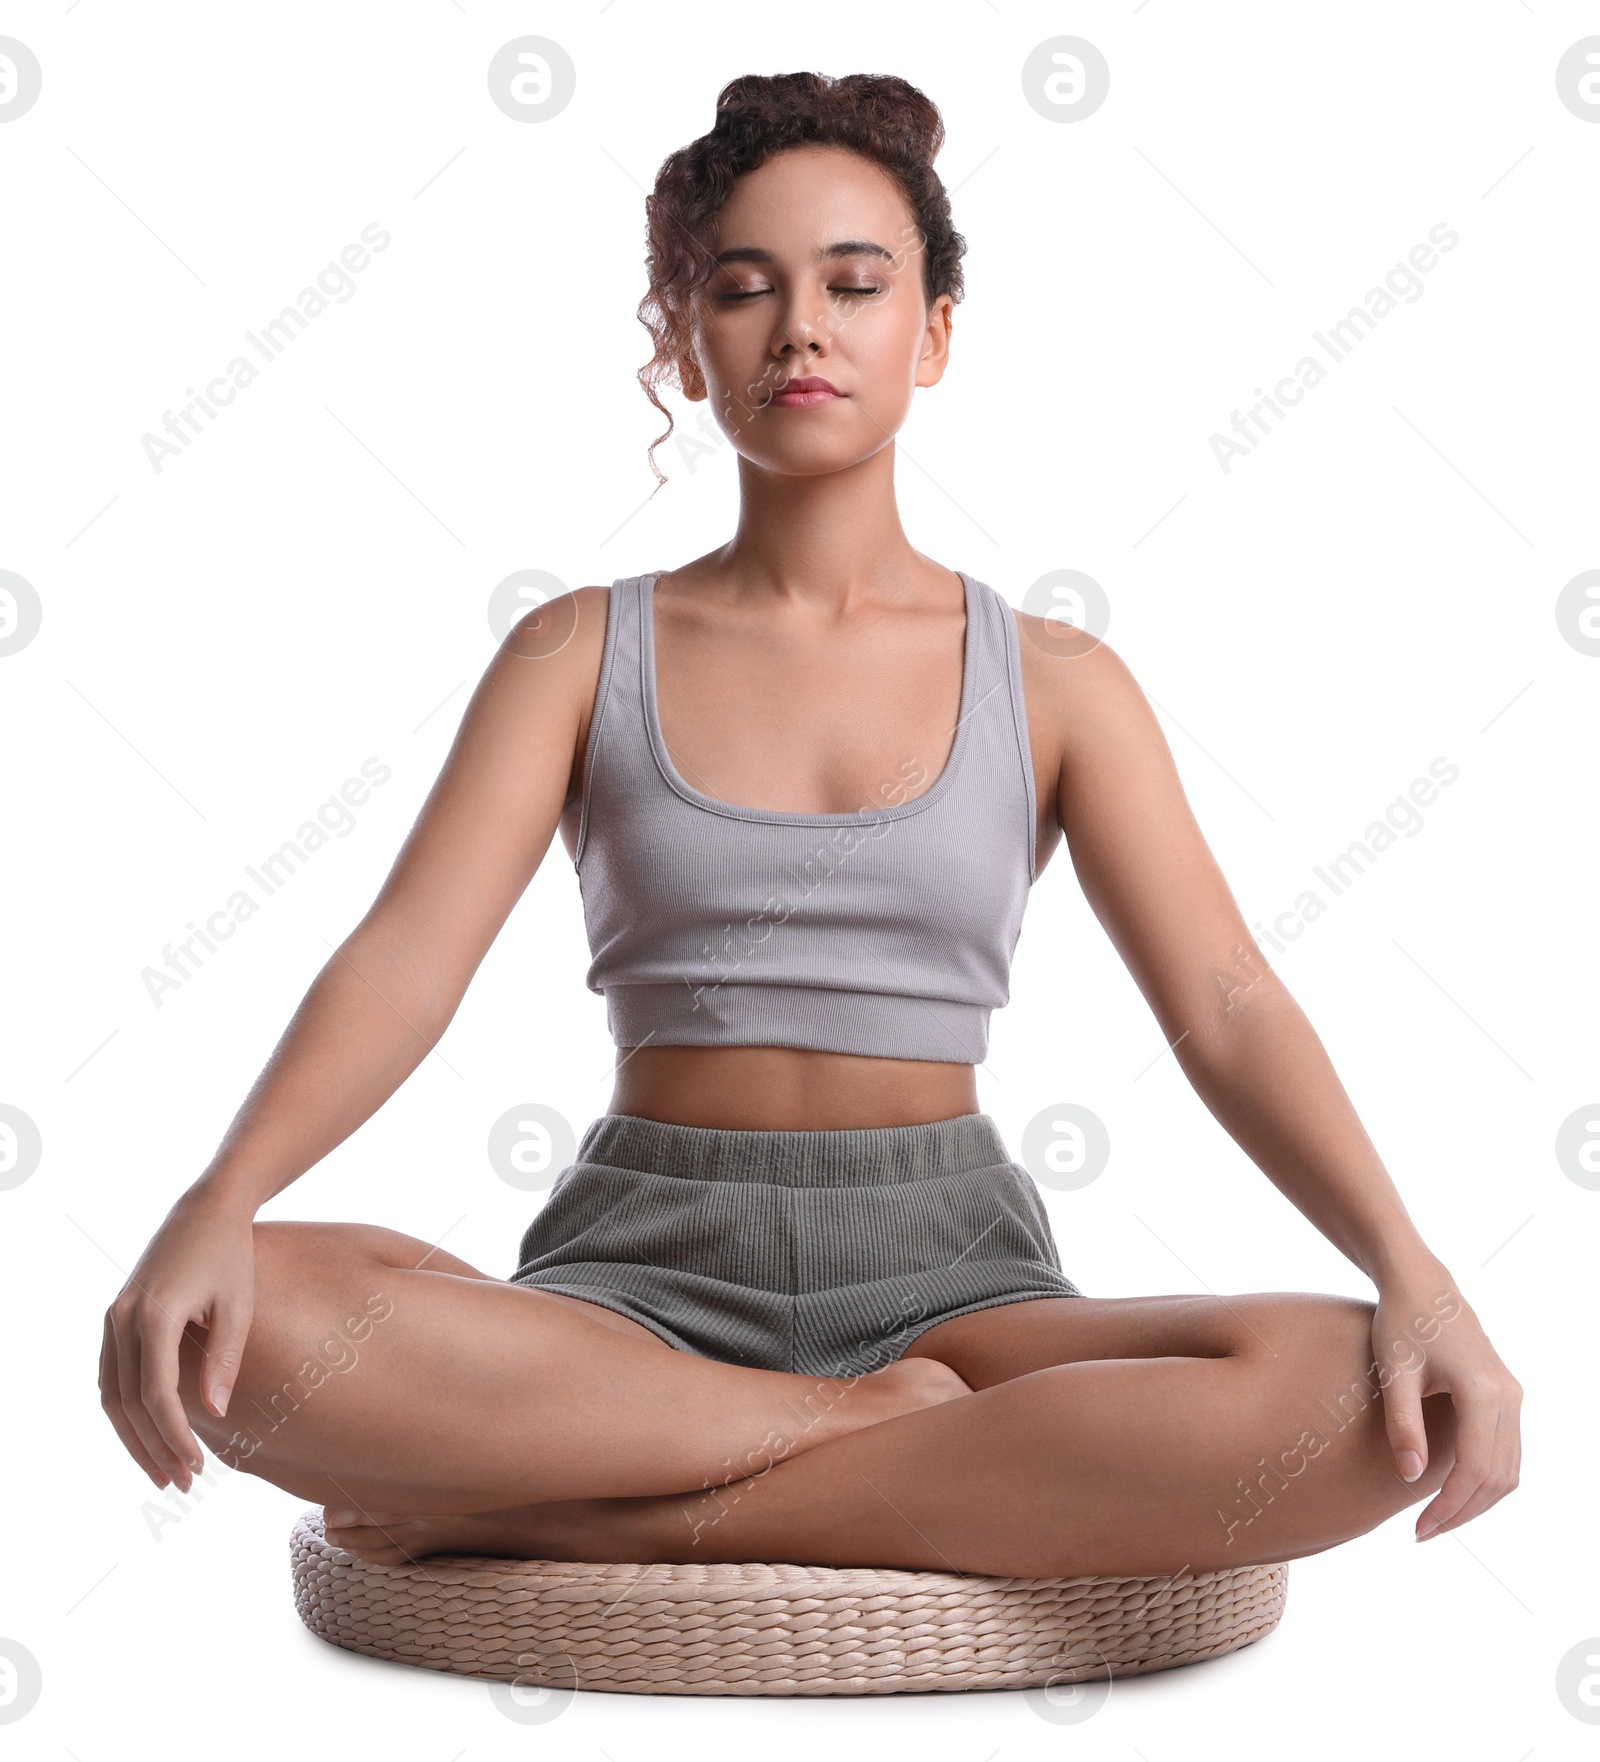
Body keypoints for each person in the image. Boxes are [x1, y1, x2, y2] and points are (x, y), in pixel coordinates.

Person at [99, 71, 1520, 1580]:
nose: (803, 328)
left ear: (937, 331)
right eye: (743, 287)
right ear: (688, 346)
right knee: (233, 1313)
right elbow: (402, 965)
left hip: (956, 1281)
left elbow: (1231, 1011)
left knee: (1368, 1399)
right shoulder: (574, 651)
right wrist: (218, 1197)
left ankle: (554, 1509)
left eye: (857, 283)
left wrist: (1412, 1268)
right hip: (633, 1281)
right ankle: (874, 1445)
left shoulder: (1059, 680)